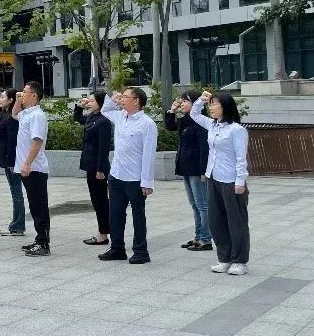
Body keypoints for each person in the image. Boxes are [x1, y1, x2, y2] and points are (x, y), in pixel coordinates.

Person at [190, 90, 250, 275]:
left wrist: (240, 181)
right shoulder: (212, 125)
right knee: (216, 221)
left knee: (236, 222)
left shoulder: (237, 130)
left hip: (232, 181)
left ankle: (239, 261)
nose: (211, 107)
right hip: (213, 178)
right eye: (210, 104)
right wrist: (201, 100)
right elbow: (194, 114)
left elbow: (241, 158)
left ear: (225, 107)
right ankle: (224, 258)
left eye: (214, 104)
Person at [98, 88, 157, 265]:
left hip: (135, 178)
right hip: (117, 174)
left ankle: (141, 251)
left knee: (138, 215)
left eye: (126, 96)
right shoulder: (120, 116)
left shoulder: (147, 124)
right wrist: (113, 99)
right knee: (115, 213)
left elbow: (149, 155)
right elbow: (105, 110)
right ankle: (117, 248)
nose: (122, 99)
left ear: (136, 100)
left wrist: (147, 182)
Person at [165, 90, 212, 252]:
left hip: (196, 168)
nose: (182, 104)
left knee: (202, 205)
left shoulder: (201, 122)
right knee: (194, 204)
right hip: (185, 166)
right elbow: (170, 126)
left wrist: (203, 171)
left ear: (195, 103)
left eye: (186, 101)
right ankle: (198, 236)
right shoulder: (186, 120)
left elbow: (204, 148)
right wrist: (171, 111)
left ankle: (206, 239)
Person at [13, 81, 50, 256]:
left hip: (35, 168)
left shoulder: (37, 116)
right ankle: (39, 239)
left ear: (34, 95)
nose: (22, 94)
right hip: (27, 168)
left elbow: (37, 141)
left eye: (25, 92)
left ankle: (43, 243)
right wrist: (17, 99)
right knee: (34, 206)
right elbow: (14, 114)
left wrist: (27, 163)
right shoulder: (27, 113)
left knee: (39, 207)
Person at [74, 92, 112, 246]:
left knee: (100, 200)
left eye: (91, 101)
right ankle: (103, 231)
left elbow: (104, 148)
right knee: (96, 200)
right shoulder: (92, 117)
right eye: (88, 101)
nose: (89, 103)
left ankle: (103, 234)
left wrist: (100, 169)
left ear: (100, 103)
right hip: (89, 163)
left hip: (98, 166)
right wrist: (79, 106)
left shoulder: (104, 121)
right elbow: (78, 118)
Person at [0, 89, 26, 237]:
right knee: (15, 191)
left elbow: (13, 141)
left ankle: (18, 225)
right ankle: (16, 224)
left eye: (2, 97)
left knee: (16, 192)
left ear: (11, 100)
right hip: (6, 157)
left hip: (11, 159)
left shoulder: (12, 118)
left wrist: (12, 162)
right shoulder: (4, 114)